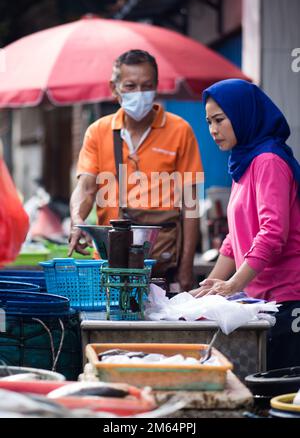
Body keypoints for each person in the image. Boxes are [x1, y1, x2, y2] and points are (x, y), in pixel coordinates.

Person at [69, 49, 203, 291]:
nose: (139, 94)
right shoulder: (98, 132)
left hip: (162, 265)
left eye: (147, 86)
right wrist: (77, 220)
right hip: (109, 264)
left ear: (157, 87)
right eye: (130, 86)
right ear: (114, 88)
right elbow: (86, 188)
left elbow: (191, 205)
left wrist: (186, 269)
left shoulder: (180, 130)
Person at [191, 78, 300, 370]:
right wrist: (211, 287)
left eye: (220, 120)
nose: (213, 130)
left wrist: (233, 285)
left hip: (288, 300)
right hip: (260, 301)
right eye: (209, 122)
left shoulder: (268, 161)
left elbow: (272, 234)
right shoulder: (244, 162)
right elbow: (235, 237)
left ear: (242, 114)